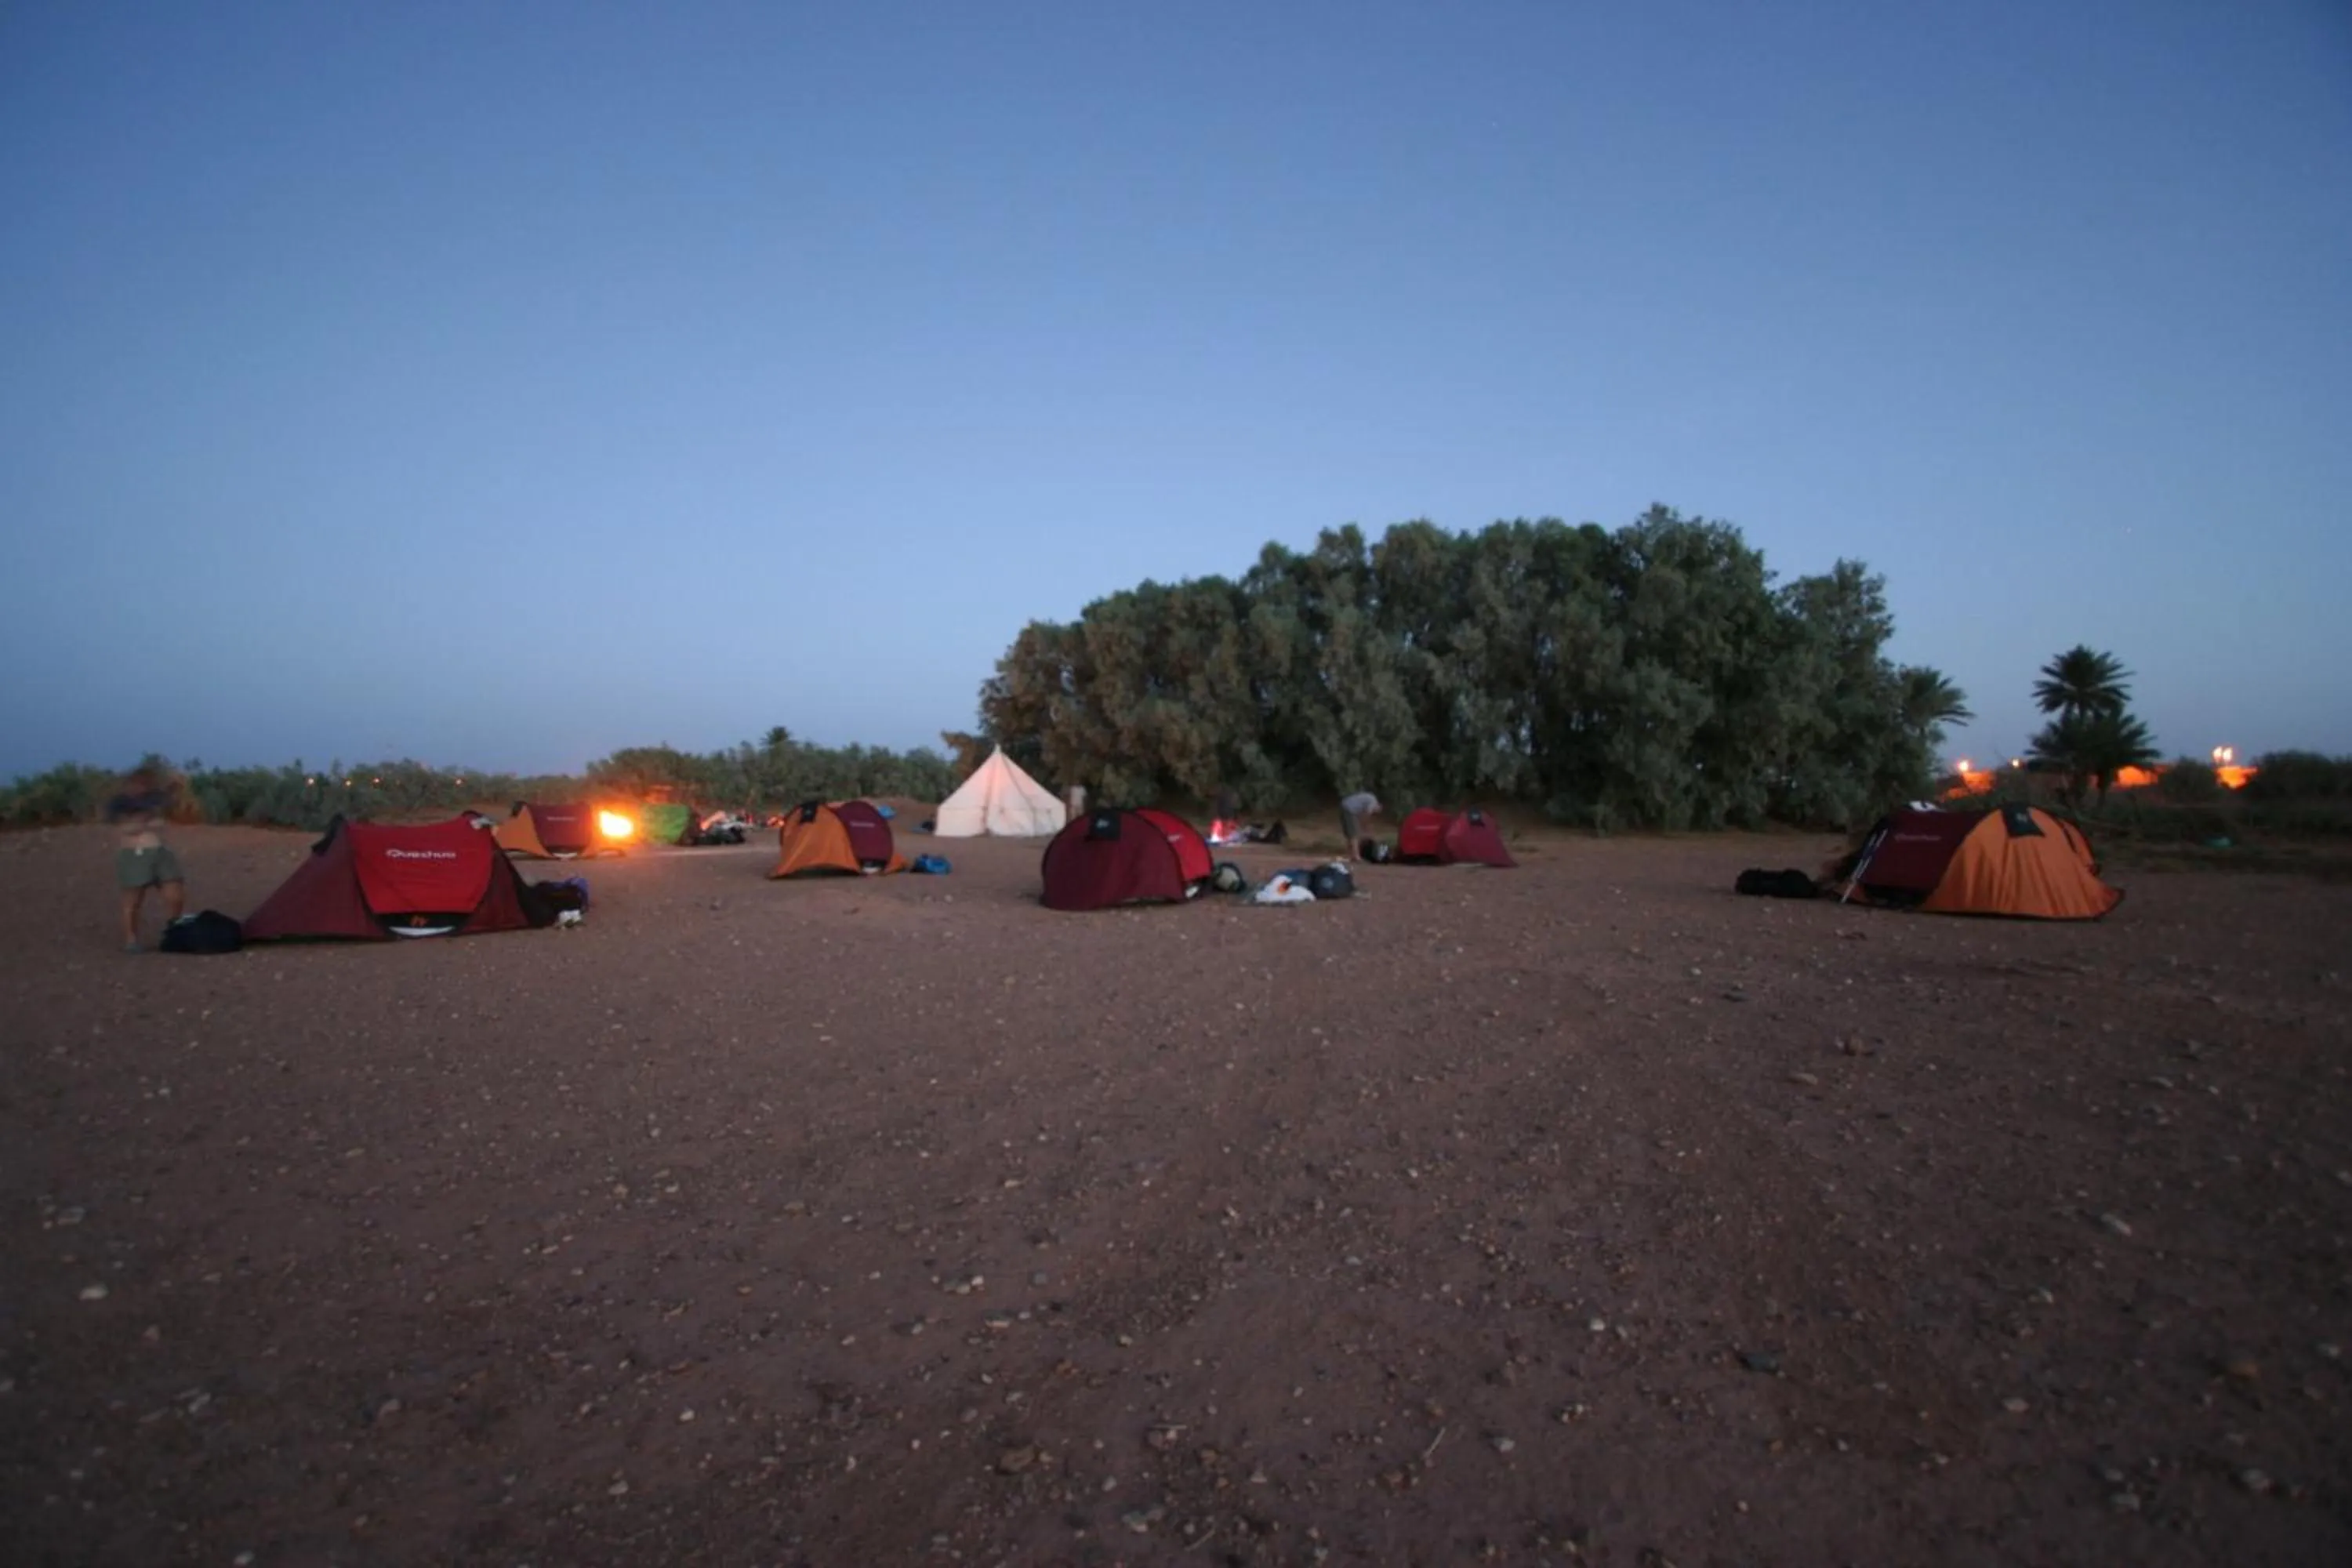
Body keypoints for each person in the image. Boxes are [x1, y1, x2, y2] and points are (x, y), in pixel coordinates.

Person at [107, 768, 185, 952]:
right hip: (134, 853)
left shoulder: (155, 797)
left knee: (175, 894)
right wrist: (146, 821)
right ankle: (131, 939)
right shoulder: (120, 802)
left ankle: (172, 934)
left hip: (159, 851)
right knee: (133, 900)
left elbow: (162, 817)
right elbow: (126, 827)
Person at [1338, 790, 1381, 858]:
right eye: (1375, 812)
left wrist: (1363, 825)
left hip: (1344, 805)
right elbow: (1367, 815)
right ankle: (1356, 856)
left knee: (1350, 835)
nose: (1374, 813)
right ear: (1377, 806)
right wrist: (1366, 826)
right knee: (1354, 835)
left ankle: (1351, 855)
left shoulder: (1369, 799)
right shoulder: (1373, 802)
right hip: (1349, 809)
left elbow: (1361, 817)